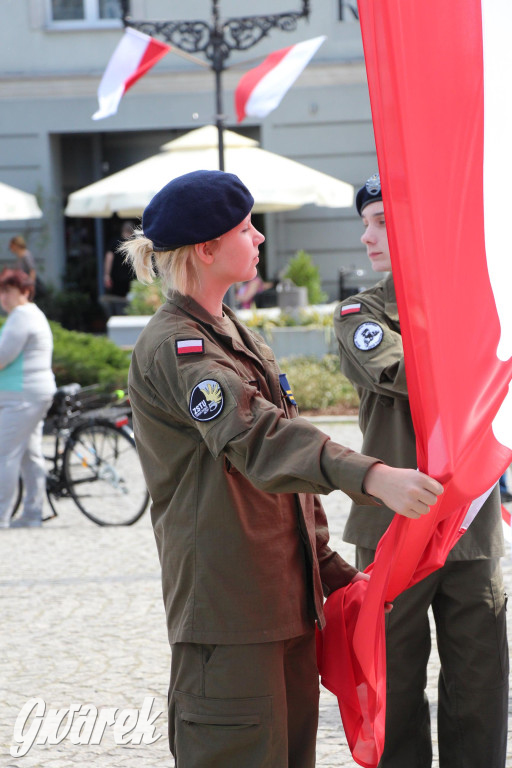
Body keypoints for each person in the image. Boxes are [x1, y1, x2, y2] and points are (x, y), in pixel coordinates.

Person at [120, 169, 443, 768]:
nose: (260, 238)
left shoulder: (233, 334)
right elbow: (260, 438)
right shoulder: (177, 347)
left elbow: (285, 494)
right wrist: (371, 475)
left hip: (285, 608)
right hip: (230, 617)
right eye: (246, 228)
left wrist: (337, 576)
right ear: (207, 249)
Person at [334, 173, 508, 768]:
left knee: (482, 685)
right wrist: (472, 346)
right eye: (365, 223)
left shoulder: (481, 304)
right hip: (392, 527)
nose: (367, 236)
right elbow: (413, 375)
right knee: (395, 685)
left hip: (472, 521)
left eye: (381, 221)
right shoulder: (359, 313)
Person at [0, 268, 56, 528]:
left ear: (24, 291)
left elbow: (3, 355)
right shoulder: (32, 314)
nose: (3, 297)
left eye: (7, 291)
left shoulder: (22, 315)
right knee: (29, 455)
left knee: (5, 454)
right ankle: (32, 512)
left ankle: (2, 513)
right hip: (33, 393)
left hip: (22, 396)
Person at [100, 221, 135, 318]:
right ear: (132, 232)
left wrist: (106, 275)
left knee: (116, 302)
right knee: (130, 302)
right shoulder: (134, 244)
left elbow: (109, 258)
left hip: (116, 278)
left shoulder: (115, 242)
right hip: (131, 278)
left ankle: (118, 318)